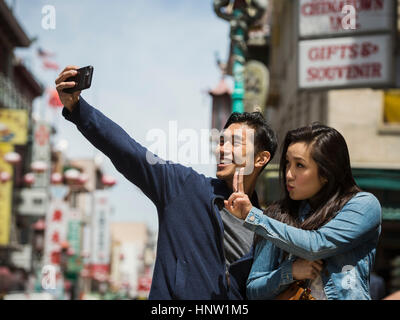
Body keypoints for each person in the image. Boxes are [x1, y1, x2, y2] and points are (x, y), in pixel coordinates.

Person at [55, 66, 278, 299]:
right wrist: (78, 109)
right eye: (222, 141)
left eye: (235, 142)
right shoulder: (184, 187)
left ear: (261, 158)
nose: (222, 149)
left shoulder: (268, 228)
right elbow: (128, 152)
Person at [224, 123, 382, 300]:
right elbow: (254, 290)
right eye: (287, 163)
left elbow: (317, 245)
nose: (289, 174)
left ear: (326, 173)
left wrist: (252, 216)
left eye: (299, 165)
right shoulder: (278, 215)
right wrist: (290, 272)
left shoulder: (363, 205)